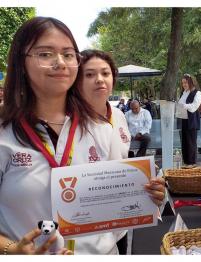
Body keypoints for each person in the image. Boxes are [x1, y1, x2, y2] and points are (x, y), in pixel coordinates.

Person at [0, 17, 165, 255]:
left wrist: (146, 196)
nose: (60, 63)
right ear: (20, 61)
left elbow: (117, 197)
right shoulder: (5, 130)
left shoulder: (100, 127)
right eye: (45, 54)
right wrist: (11, 249)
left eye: (68, 55)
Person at [78, 49, 131, 159]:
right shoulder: (68, 122)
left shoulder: (119, 115)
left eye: (105, 73)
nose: (99, 80)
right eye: (89, 74)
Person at [175, 74, 201, 167]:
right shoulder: (184, 93)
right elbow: (180, 104)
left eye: (185, 82)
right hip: (183, 120)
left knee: (191, 142)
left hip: (191, 121)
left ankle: (192, 162)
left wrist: (183, 106)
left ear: (191, 82)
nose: (184, 85)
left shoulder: (197, 93)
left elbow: (194, 107)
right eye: (183, 83)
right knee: (184, 142)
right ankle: (186, 161)